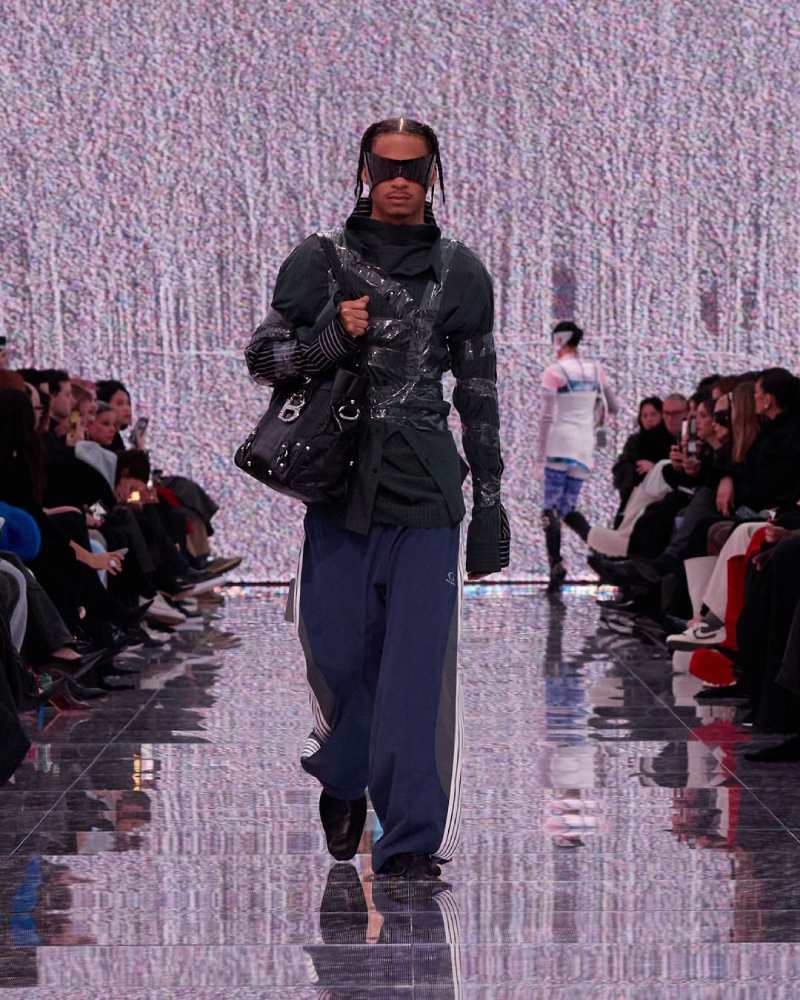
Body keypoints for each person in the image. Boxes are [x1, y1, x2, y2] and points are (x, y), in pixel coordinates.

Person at [244, 116, 509, 881]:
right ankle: (344, 772)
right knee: (336, 654)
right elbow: (263, 358)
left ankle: (410, 840)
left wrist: (491, 502)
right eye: (386, 167)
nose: (399, 181)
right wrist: (331, 336)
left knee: (416, 672)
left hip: (426, 491)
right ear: (364, 170)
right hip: (340, 487)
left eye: (413, 169)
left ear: (433, 174)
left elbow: (480, 393)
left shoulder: (462, 272)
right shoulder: (319, 259)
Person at [535, 320, 618, 590]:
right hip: (584, 445)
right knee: (566, 507)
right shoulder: (596, 370)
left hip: (560, 442)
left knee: (551, 508)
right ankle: (602, 551)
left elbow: (547, 416)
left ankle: (556, 565)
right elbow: (612, 405)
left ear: (560, 340)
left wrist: (540, 455)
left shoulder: (554, 372)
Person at [611, 396, 674, 524]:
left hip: (660, 499)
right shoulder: (634, 441)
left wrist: (655, 469)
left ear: (662, 415)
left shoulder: (671, 439)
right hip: (633, 497)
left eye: (653, 414)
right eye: (644, 416)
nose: (649, 419)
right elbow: (621, 469)